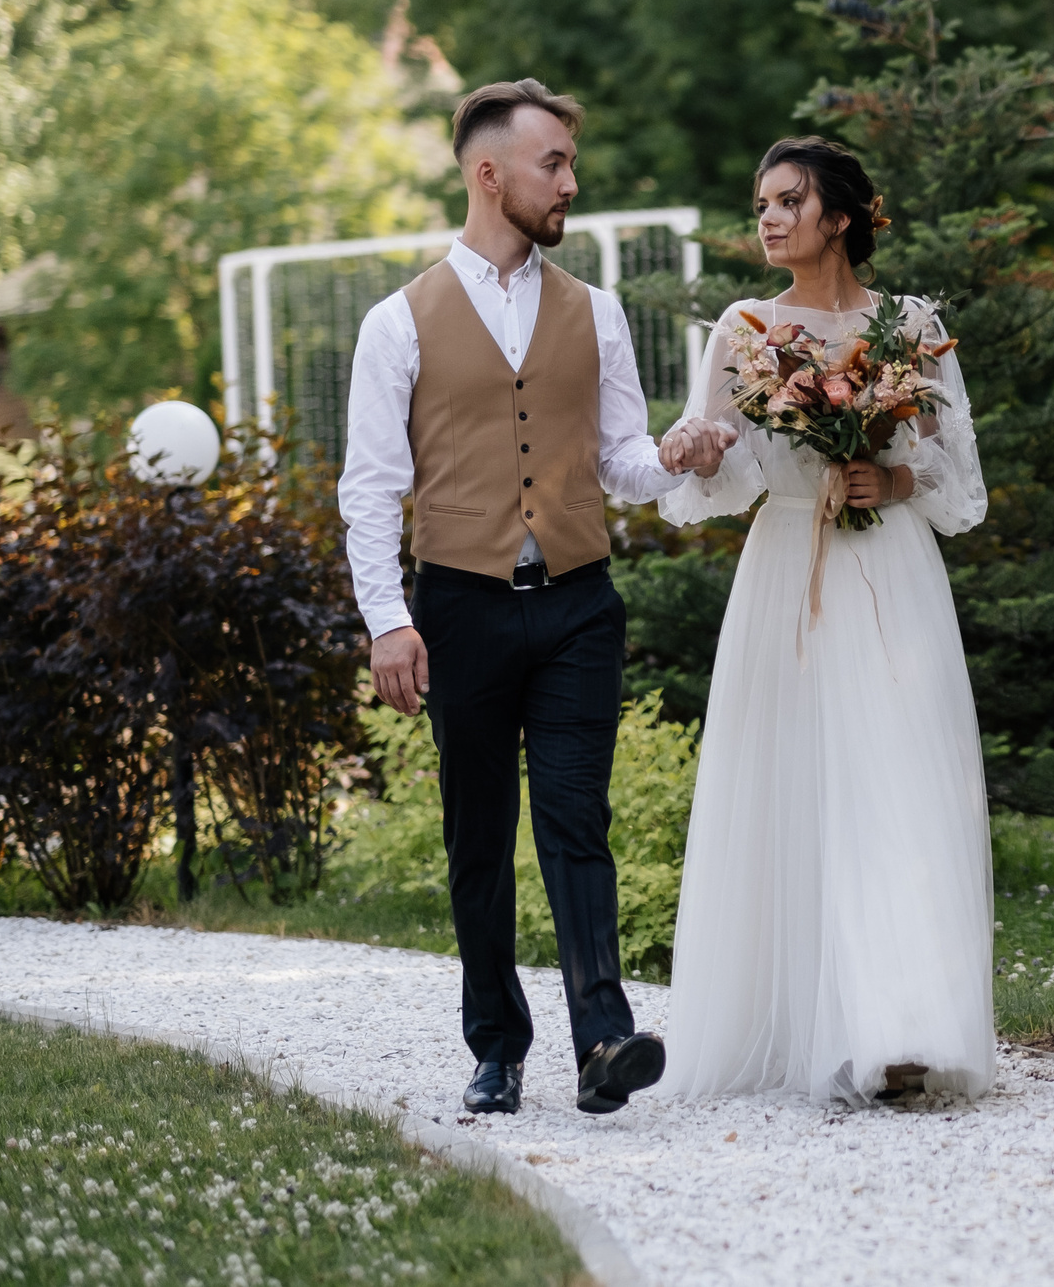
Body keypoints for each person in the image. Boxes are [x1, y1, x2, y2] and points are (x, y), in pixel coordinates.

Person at [339, 77, 735, 1117]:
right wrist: (389, 617)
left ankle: (603, 1036)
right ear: (489, 173)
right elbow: (371, 488)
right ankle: (496, 1045)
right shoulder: (398, 321)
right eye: (552, 162)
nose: (570, 179)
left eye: (568, 161)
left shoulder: (593, 310)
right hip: (460, 606)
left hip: (575, 603)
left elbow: (619, 461)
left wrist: (679, 455)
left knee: (575, 818)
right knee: (478, 832)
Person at [652, 135, 995, 1105]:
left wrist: (883, 474)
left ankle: (899, 1024)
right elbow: (720, 473)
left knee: (896, 784)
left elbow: (955, 482)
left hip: (888, 568)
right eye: (759, 201)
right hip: (787, 566)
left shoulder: (909, 324)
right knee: (796, 783)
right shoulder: (745, 324)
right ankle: (804, 1017)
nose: (766, 217)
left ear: (839, 217)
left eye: (787, 200)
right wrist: (696, 446)